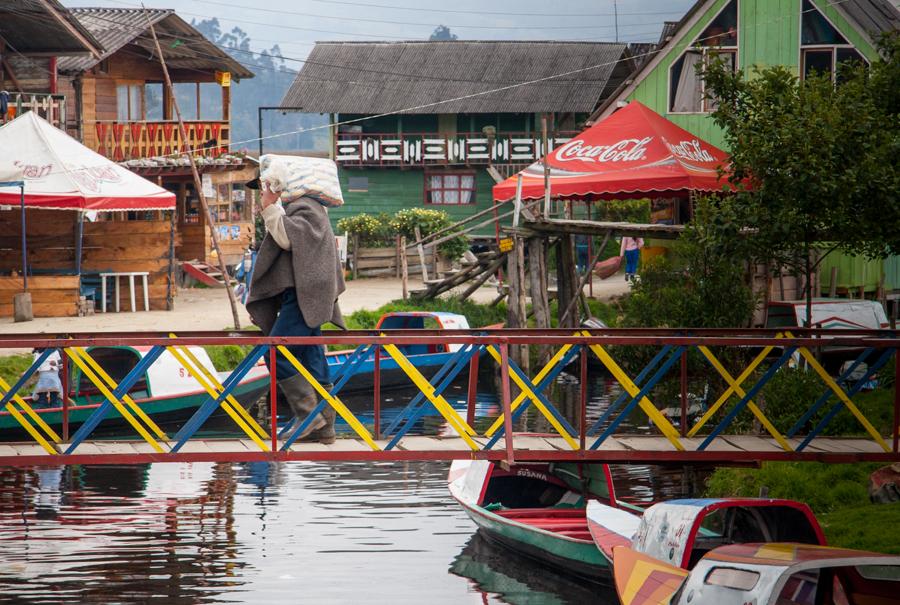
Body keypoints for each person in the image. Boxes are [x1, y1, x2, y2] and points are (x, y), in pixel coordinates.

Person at [245, 181, 346, 444]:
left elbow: (289, 240)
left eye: (265, 188)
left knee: (276, 351)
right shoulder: (302, 207)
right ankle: (325, 427)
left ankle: (309, 416)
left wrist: (269, 207)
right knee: (312, 357)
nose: (262, 194)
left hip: (307, 295)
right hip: (305, 294)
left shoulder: (305, 207)